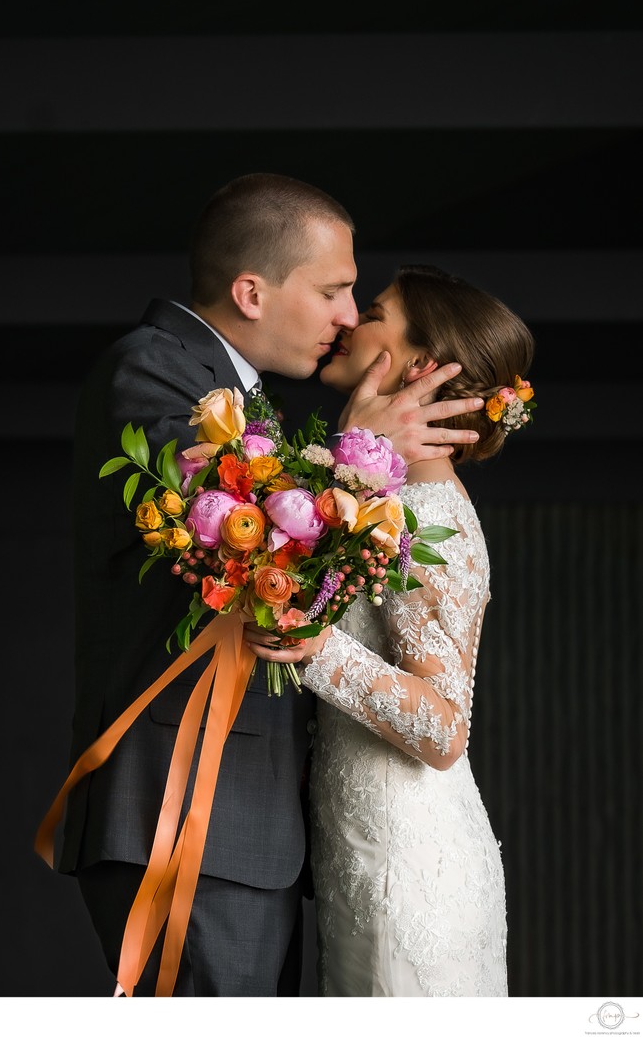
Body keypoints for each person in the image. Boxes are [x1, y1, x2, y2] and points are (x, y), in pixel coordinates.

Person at [58, 175, 484, 997]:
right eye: (332, 289)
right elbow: (246, 565)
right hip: (187, 813)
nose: (346, 313)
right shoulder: (151, 373)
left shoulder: (242, 399)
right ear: (251, 291)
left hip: (244, 826)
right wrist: (358, 455)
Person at [245, 262, 535, 996]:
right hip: (366, 855)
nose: (347, 320)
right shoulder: (389, 494)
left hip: (408, 871)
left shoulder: (425, 510)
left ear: (421, 365)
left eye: (371, 310)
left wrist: (317, 646)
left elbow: (442, 728)